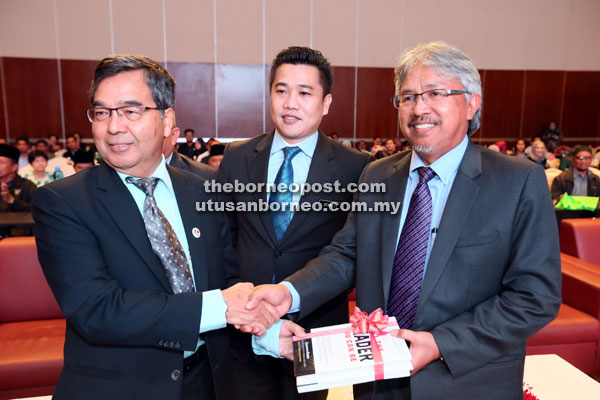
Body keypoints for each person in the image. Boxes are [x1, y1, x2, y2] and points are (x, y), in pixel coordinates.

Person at [250, 41, 561, 400]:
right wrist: (289, 293)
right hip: (378, 380)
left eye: (435, 93)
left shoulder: (517, 181)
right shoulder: (378, 176)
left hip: (466, 381)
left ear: (472, 102)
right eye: (408, 97)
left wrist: (440, 343)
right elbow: (347, 254)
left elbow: (535, 296)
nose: (419, 108)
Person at [32, 54, 281, 400]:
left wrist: (265, 329)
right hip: (121, 389)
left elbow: (225, 283)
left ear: (167, 121)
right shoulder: (63, 202)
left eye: (130, 111)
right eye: (102, 113)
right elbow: (97, 309)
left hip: (207, 383)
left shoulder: (202, 189)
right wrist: (221, 306)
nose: (114, 127)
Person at [217, 46, 371, 400]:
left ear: (326, 102)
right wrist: (244, 309)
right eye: (281, 90)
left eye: (304, 93)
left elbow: (352, 249)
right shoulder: (238, 156)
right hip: (245, 325)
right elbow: (224, 238)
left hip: (313, 328)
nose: (290, 103)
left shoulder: (356, 166)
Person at [0, 144, 37, 213]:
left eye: (2, 162)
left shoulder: (28, 186)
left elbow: (35, 210)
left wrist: (12, 200)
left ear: (14, 167)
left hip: (20, 223)